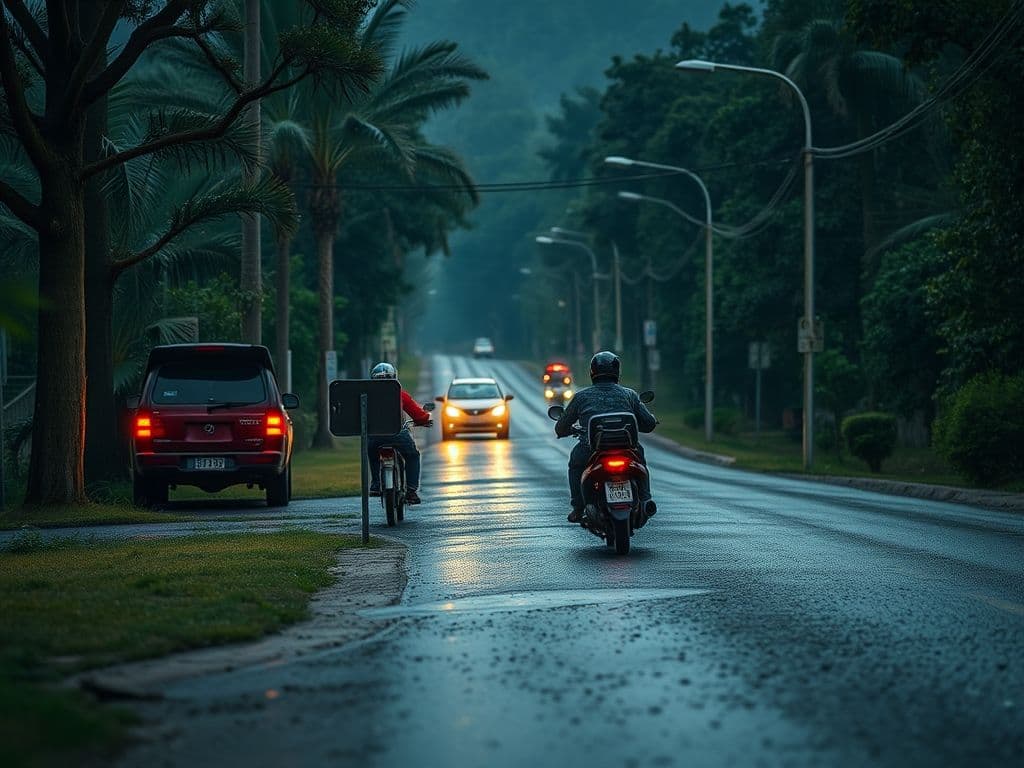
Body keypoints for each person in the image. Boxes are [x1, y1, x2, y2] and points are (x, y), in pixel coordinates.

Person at [554, 351, 658, 523]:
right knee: (641, 460)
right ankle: (646, 500)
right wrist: (650, 420)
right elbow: (648, 423)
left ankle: (578, 508)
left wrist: (566, 430)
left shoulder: (581, 397)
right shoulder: (629, 395)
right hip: (627, 448)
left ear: (592, 372)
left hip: (591, 448)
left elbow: (561, 427)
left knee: (576, 463)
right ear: (617, 371)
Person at [367, 362, 432, 504]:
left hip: (375, 437)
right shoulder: (400, 394)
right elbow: (419, 415)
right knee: (413, 456)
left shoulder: (367, 396)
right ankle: (411, 492)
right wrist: (425, 419)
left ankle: (376, 484)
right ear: (394, 378)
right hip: (398, 434)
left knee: (373, 455)